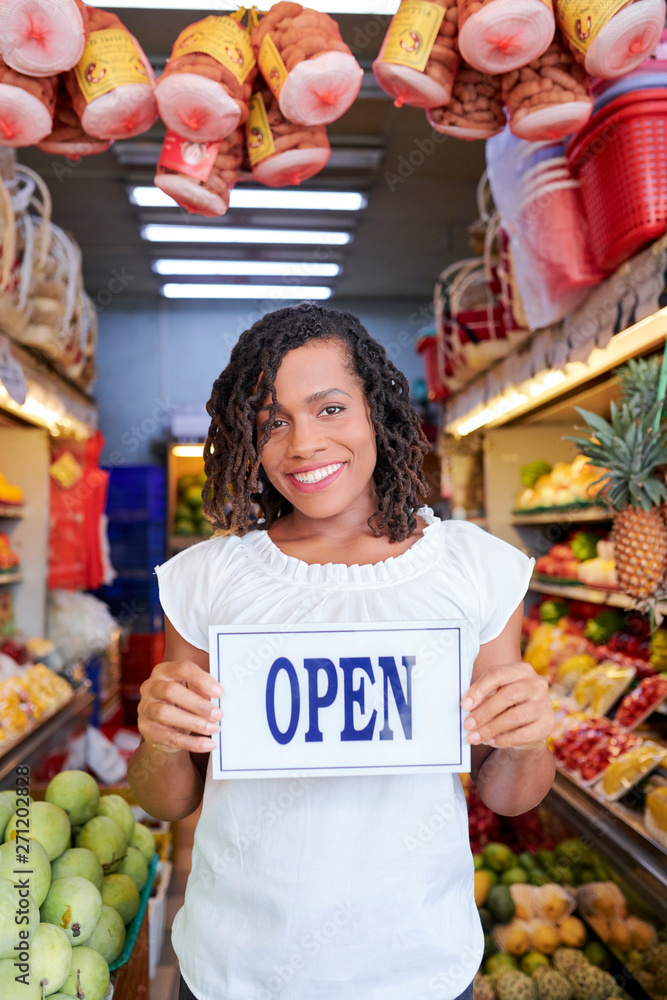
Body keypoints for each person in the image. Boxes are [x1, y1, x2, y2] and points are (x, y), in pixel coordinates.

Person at [128, 302, 555, 1000]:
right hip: (236, 968)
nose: (302, 444)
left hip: (416, 966)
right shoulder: (206, 577)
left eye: (329, 409)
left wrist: (530, 736)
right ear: (249, 438)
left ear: (376, 412)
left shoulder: (474, 567)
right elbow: (169, 799)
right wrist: (158, 738)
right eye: (272, 421)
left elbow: (507, 793)